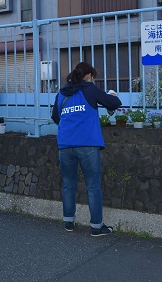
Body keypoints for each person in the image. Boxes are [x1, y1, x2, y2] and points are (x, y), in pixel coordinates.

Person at [51, 62, 122, 237]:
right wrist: (110, 94)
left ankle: (69, 222)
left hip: (65, 145)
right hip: (87, 145)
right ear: (89, 75)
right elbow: (114, 102)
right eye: (93, 76)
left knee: (68, 184)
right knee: (92, 185)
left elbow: (55, 117)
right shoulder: (90, 89)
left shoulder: (62, 93)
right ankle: (96, 227)